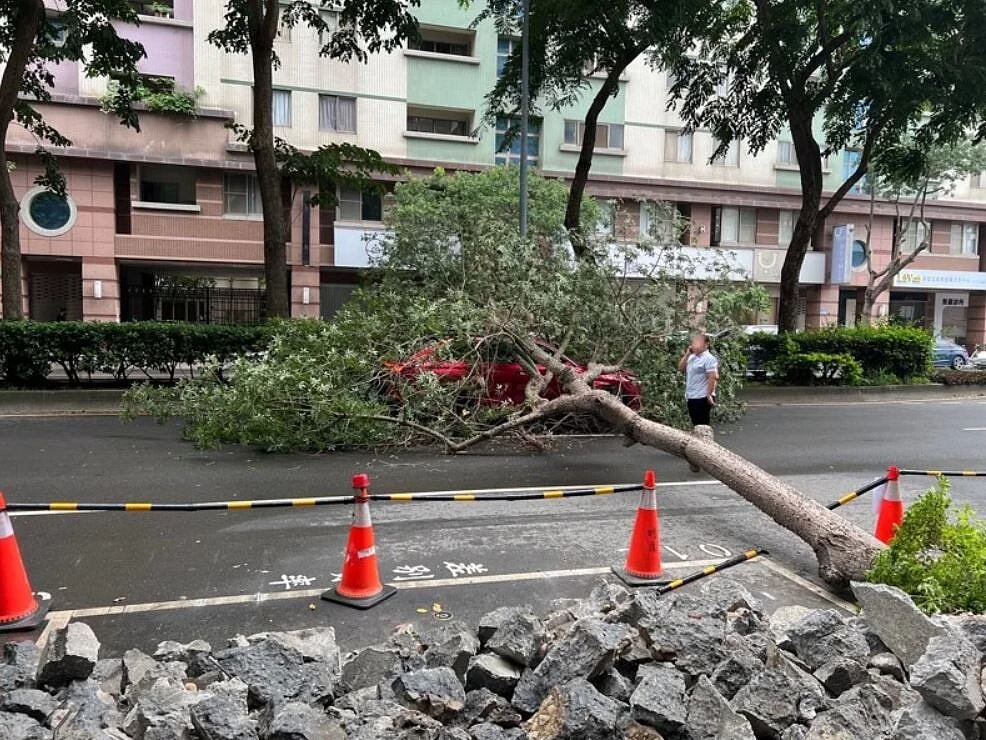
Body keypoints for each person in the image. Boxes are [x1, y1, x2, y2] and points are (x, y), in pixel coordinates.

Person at [678, 332, 719, 428]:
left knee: (703, 426)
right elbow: (680, 368)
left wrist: (709, 394)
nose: (694, 345)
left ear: (706, 344)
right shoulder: (691, 357)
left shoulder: (709, 358)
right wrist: (687, 354)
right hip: (691, 396)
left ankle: (706, 443)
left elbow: (712, 377)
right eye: (693, 343)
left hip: (702, 396)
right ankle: (701, 442)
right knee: (696, 424)